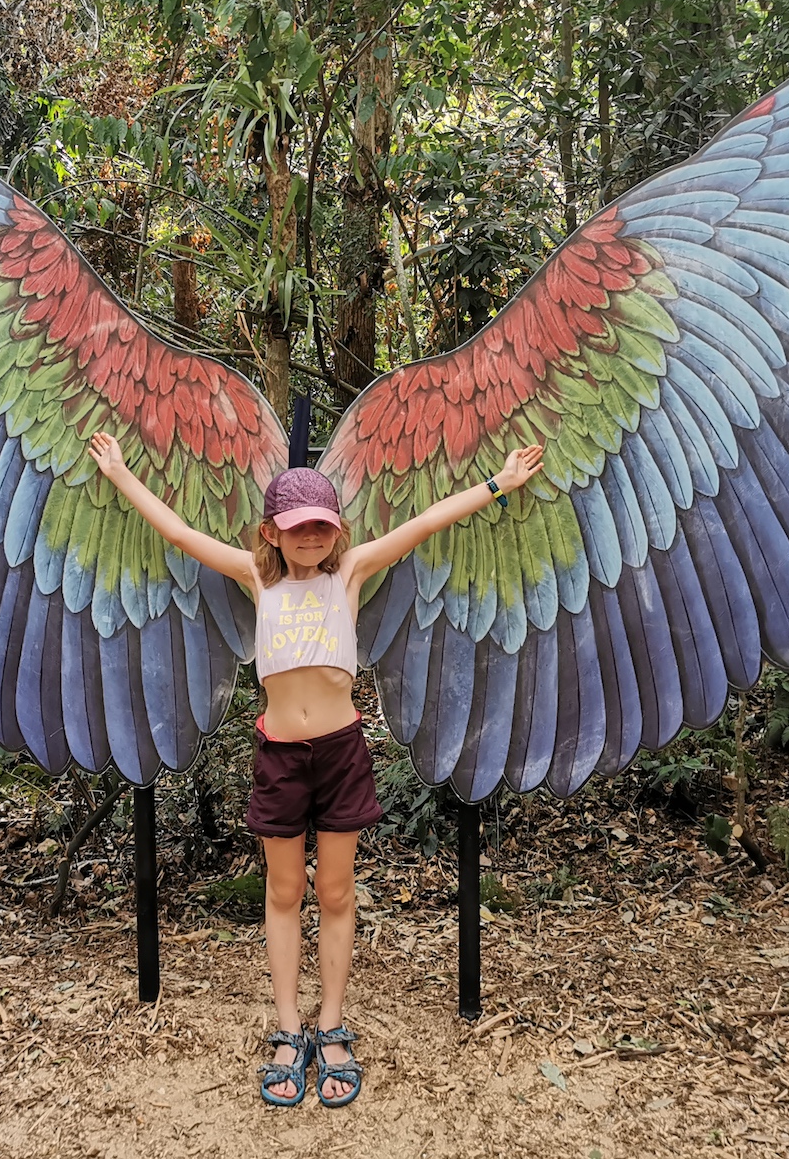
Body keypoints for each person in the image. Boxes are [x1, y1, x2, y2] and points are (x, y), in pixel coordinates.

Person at [86, 433, 545, 1106]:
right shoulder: (256, 576)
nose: (310, 538)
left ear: (337, 531)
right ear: (271, 532)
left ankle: (330, 1023)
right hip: (280, 756)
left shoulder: (349, 573)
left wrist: (499, 483)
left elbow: (424, 523)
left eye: (321, 527)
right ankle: (287, 1028)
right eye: (297, 527)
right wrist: (121, 474)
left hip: (339, 752)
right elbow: (181, 534)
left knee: (334, 891)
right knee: (282, 893)